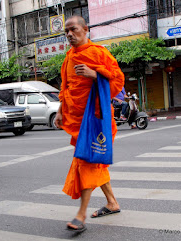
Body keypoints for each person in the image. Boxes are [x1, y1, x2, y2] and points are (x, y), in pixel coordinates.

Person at [54, 16, 124, 232]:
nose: (68, 34)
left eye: (73, 29)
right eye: (66, 31)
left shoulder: (98, 53)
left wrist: (95, 75)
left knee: (87, 161)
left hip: (96, 121)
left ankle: (81, 215)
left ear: (85, 30)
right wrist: (59, 112)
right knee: (96, 162)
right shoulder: (68, 58)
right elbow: (66, 90)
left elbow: (118, 81)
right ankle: (112, 202)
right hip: (77, 121)